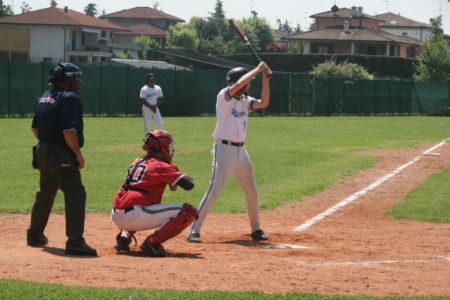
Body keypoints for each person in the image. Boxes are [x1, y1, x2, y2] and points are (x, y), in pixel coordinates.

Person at [187, 62, 272, 243]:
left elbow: (264, 102)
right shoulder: (224, 96)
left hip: (241, 151)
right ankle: (194, 229)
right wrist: (257, 69)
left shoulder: (245, 101)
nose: (250, 85)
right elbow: (239, 85)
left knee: (251, 189)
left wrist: (265, 79)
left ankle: (256, 228)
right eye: (249, 82)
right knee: (214, 190)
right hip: (224, 150)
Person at [28, 63, 97, 256]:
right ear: (64, 80)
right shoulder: (70, 98)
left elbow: (35, 129)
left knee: (46, 192)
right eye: (73, 78)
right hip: (61, 152)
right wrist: (77, 154)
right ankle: (75, 243)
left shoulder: (45, 96)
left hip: (42, 150)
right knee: (76, 194)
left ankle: (34, 235)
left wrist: (48, 144)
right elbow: (69, 131)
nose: (76, 82)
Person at [111, 129, 198, 257]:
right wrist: (182, 175)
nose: (169, 149)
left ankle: (124, 236)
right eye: (167, 146)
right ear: (160, 147)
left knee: (140, 202)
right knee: (188, 212)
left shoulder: (137, 160)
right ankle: (152, 243)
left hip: (116, 215)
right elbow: (188, 185)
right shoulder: (160, 165)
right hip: (134, 215)